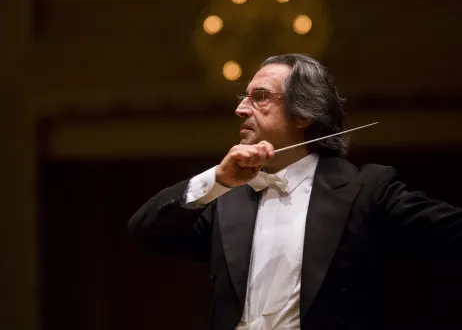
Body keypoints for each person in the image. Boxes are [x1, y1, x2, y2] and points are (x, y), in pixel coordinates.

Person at [127, 53, 462, 330]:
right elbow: (145, 231)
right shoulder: (225, 197)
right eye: (244, 97)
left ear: (303, 114)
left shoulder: (366, 190)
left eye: (260, 97)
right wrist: (217, 179)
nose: (241, 109)